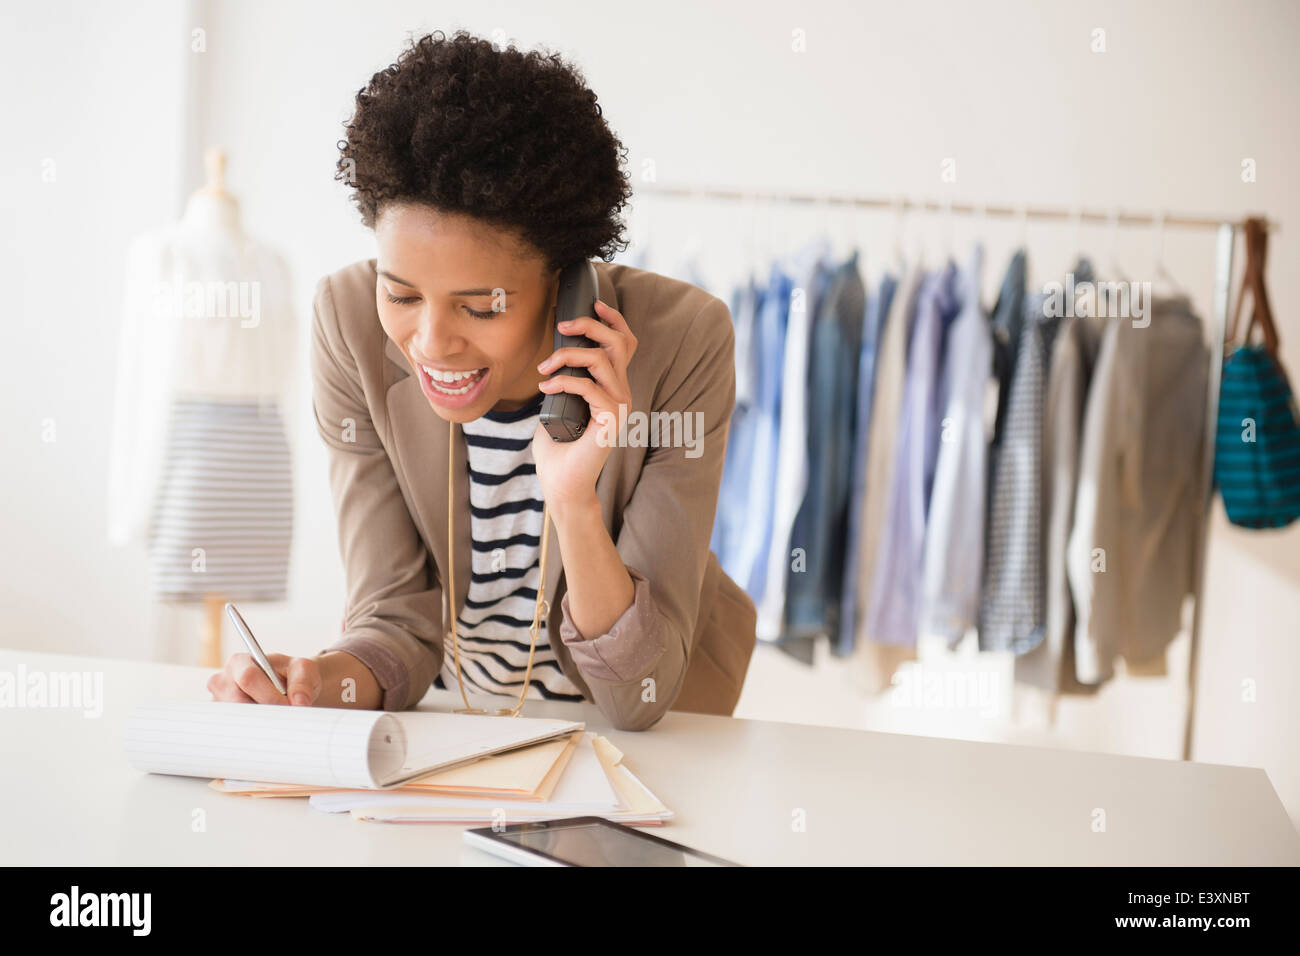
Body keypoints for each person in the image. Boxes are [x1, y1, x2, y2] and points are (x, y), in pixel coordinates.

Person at [208, 30, 756, 730]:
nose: (430, 344)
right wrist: (319, 683)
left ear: (564, 284)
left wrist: (572, 498)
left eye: (479, 306)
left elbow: (637, 695)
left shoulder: (683, 341)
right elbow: (392, 616)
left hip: (653, 736)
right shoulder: (348, 323)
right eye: (402, 295)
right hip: (449, 723)